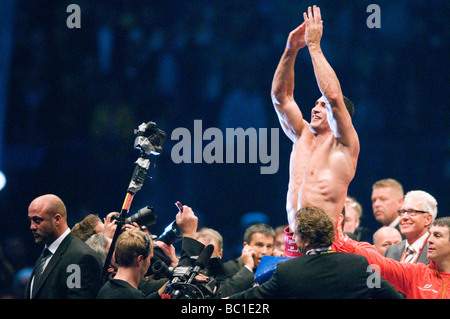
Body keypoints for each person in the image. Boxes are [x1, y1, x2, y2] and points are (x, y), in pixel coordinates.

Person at [271, 5, 359, 256]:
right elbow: (281, 97)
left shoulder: (344, 144)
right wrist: (290, 50)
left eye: (322, 106)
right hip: (294, 240)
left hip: (328, 244)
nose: (316, 107)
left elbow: (333, 96)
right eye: (315, 103)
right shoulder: (302, 135)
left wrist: (314, 47)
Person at [228, 206, 403, 299]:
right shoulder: (359, 265)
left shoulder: (288, 271)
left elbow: (255, 296)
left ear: (304, 240)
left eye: (296, 235)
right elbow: (391, 296)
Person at [333, 214, 450, 299]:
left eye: (437, 236)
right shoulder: (416, 274)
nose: (429, 240)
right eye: (430, 235)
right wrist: (343, 242)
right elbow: (381, 264)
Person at [25, 194, 103, 299]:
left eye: (37, 220)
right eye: (30, 220)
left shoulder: (80, 257)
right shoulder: (46, 254)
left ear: (57, 219)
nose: (32, 227)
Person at [97, 228, 166, 299]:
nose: (149, 262)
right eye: (149, 258)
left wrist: (158, 294)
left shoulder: (105, 289)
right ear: (140, 259)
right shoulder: (132, 295)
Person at [384, 190, 437, 264]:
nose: (404, 217)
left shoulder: (438, 250)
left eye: (411, 212)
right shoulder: (391, 250)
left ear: (427, 219)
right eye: (402, 212)